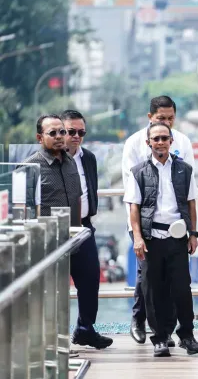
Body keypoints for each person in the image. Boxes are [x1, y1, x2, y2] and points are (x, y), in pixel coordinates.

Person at [124, 122, 198, 357]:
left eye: (164, 138)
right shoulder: (138, 172)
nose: (160, 142)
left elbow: (191, 203)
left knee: (182, 289)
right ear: (148, 143)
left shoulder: (184, 169)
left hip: (177, 238)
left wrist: (193, 233)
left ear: (171, 141)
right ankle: (159, 338)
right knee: (152, 290)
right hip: (150, 239)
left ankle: (187, 336)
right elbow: (134, 208)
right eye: (155, 138)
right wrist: (137, 237)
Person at [59, 110, 113, 349]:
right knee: (56, 284)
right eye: (72, 132)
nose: (76, 137)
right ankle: (54, 337)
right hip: (56, 229)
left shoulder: (88, 158)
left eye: (81, 132)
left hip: (83, 227)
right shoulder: (49, 159)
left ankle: (85, 328)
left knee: (91, 279)